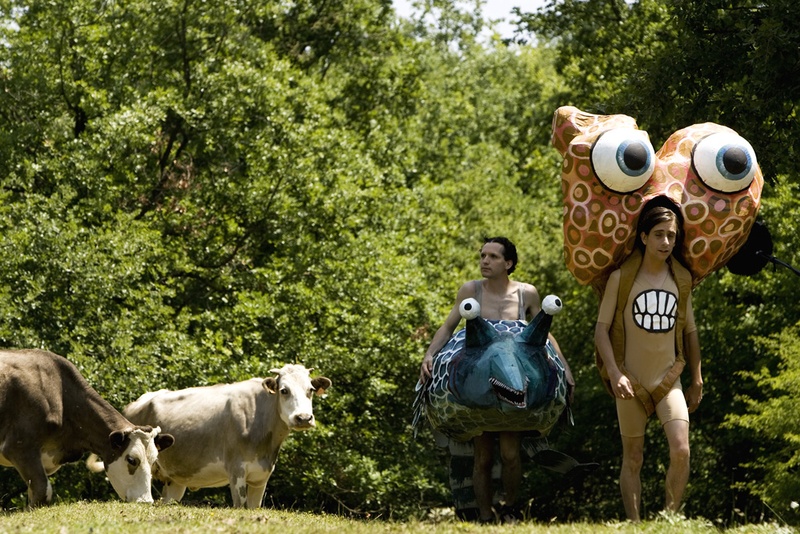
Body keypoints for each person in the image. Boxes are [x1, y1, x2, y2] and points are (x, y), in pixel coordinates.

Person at [419, 236, 574, 523]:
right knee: (483, 456)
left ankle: (511, 507)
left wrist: (564, 366)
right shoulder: (471, 290)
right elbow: (449, 325)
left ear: (509, 263)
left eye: (492, 257)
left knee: (511, 453)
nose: (484, 261)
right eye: (482, 256)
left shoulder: (526, 293)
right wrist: (429, 355)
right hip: (478, 383)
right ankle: (485, 514)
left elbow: (543, 333)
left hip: (512, 382)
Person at [594, 206, 703, 522]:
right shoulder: (622, 277)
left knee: (681, 450)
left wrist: (697, 379)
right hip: (630, 380)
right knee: (633, 458)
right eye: (658, 234)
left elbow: (690, 331)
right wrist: (615, 373)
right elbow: (601, 331)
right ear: (643, 237)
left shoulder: (682, 279)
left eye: (671, 235)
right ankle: (635, 524)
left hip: (669, 380)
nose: (666, 241)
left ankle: (668, 521)